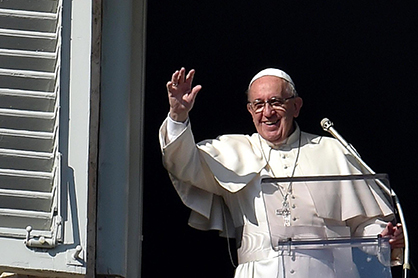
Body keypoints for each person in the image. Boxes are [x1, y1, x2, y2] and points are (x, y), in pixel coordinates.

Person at [159, 67, 404, 278]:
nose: (267, 112)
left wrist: (383, 238)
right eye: (258, 104)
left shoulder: (332, 150)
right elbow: (183, 164)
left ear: (296, 106)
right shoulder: (232, 150)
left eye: (276, 102)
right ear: (249, 110)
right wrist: (178, 116)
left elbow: (365, 225)